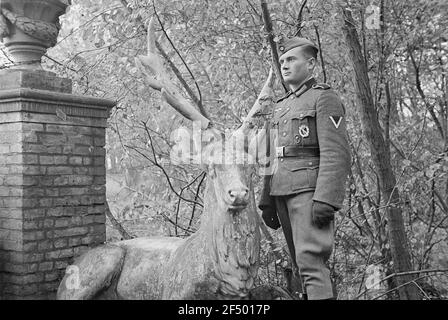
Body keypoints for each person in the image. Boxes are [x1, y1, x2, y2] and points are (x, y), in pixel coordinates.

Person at [258, 36, 351, 300]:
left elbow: (337, 153)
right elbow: (271, 156)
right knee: (300, 266)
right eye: (282, 61)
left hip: (310, 193)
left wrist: (326, 199)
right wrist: (266, 199)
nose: (284, 65)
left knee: (311, 264)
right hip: (281, 192)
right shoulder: (280, 106)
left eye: (291, 59)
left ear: (310, 64)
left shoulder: (324, 98)